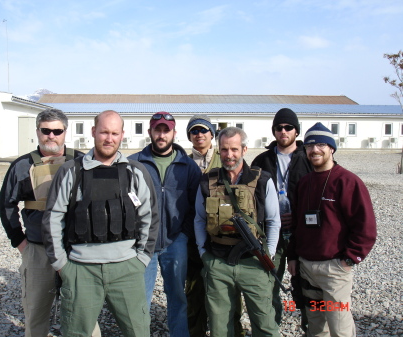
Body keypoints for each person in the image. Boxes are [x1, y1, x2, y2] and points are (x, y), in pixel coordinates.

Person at [42, 110, 159, 337]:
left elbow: (150, 217)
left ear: (122, 135)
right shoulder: (71, 172)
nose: (109, 138)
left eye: (114, 133)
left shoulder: (136, 172)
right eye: (104, 132)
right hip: (80, 270)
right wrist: (62, 266)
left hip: (127, 269)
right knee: (76, 333)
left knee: (139, 332)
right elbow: (53, 219)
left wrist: (141, 259)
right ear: (93, 131)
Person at [0, 108, 102, 336]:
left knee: (85, 316)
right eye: (46, 130)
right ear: (38, 131)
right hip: (38, 250)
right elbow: (6, 205)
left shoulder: (83, 162)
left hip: (76, 252)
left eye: (57, 131)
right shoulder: (21, 166)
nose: (51, 136)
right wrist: (21, 243)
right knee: (36, 315)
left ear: (65, 132)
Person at [287, 122, 377, 337]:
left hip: (334, 270)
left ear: (331, 148)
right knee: (316, 325)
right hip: (307, 268)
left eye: (320, 145)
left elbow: (366, 228)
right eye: (309, 146)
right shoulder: (304, 183)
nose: (314, 150)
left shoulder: (348, 182)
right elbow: (297, 225)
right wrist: (292, 256)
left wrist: (349, 259)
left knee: (339, 326)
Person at [194, 126, 281, 337]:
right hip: (218, 263)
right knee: (219, 326)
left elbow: (273, 222)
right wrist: (204, 254)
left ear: (244, 150)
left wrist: (267, 253)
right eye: (224, 150)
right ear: (218, 151)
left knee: (264, 322)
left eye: (234, 149)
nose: (229, 155)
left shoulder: (262, 181)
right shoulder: (207, 181)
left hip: (254, 263)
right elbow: (199, 219)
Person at [129, 111, 201, 337]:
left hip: (175, 242)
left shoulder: (188, 167)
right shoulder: (134, 164)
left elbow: (195, 206)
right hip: (143, 244)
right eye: (157, 130)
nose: (161, 135)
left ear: (174, 133)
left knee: (177, 297)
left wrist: (184, 235)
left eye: (166, 130)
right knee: (141, 298)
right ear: (150, 131)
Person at [251, 108, 312, 330]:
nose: (284, 131)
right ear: (274, 131)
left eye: (288, 127)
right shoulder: (262, 160)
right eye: (279, 128)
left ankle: (310, 327)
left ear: (297, 130)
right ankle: (270, 329)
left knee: (306, 285)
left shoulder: (308, 158)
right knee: (268, 283)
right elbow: (252, 197)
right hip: (271, 233)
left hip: (301, 233)